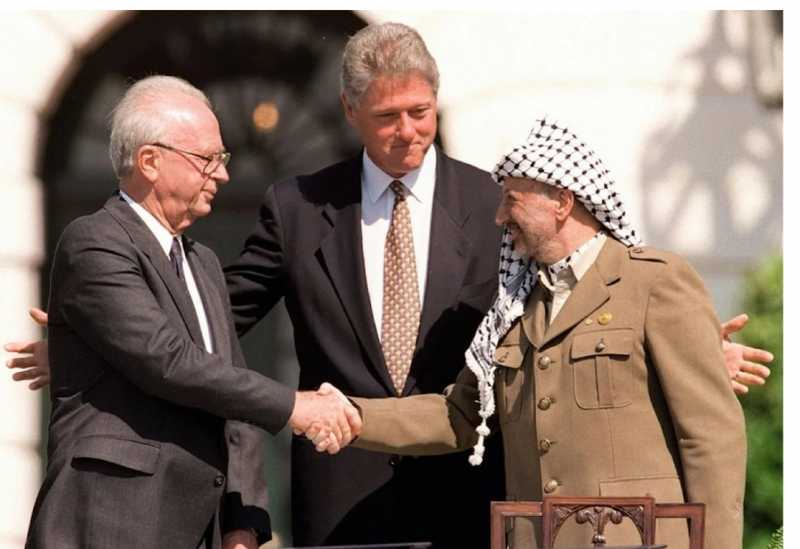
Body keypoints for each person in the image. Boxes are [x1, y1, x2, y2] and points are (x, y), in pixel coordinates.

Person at [6, 22, 771, 548]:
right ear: (350, 112)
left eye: (421, 112)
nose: (408, 130)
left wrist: (685, 354)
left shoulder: (497, 204)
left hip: (475, 500)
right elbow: (211, 320)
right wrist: (94, 343)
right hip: (344, 504)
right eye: (387, 116)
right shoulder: (297, 206)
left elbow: (581, 311)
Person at [346, 117, 748, 549]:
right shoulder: (512, 307)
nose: (499, 217)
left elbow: (710, 436)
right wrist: (350, 416)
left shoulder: (653, 282)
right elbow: (459, 415)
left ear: (561, 201)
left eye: (511, 201)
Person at [23, 75, 359, 549]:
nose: (222, 174)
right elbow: (168, 360)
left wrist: (244, 522)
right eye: (207, 159)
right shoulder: (94, 241)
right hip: (110, 523)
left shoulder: (203, 264)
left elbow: (230, 393)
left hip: (200, 529)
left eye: (222, 159)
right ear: (150, 161)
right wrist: (294, 407)